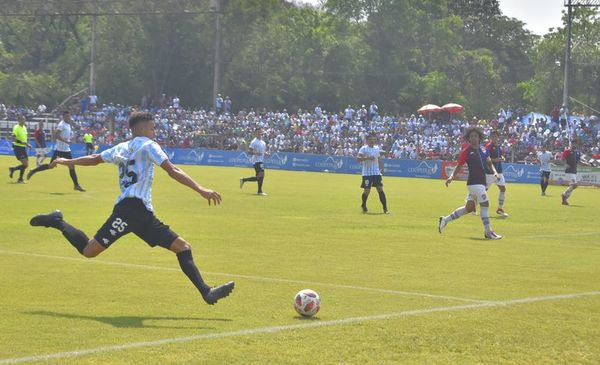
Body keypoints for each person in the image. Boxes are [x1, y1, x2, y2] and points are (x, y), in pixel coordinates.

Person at [29, 111, 234, 305]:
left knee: (183, 247)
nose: (155, 132)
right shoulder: (148, 145)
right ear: (143, 129)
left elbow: (94, 159)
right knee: (89, 250)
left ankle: (207, 292)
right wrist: (201, 189)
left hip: (142, 213)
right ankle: (57, 221)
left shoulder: (121, 147)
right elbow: (172, 170)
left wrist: (68, 161)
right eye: (153, 128)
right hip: (129, 211)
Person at [439, 127, 502, 240]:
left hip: (481, 183)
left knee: (469, 208)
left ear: (479, 137)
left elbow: (489, 163)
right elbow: (459, 166)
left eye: (475, 136)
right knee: (485, 204)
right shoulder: (466, 151)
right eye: (471, 136)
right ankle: (488, 232)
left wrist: (495, 172)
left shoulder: (484, 150)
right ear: (469, 138)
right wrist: (452, 176)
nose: (473, 138)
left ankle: (445, 219)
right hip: (474, 183)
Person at [27, 111, 86, 191]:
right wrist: (65, 141)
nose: (69, 118)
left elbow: (65, 135)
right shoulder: (61, 125)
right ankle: (33, 170)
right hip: (60, 150)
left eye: (69, 116)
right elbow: (56, 135)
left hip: (66, 150)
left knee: (71, 166)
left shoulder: (68, 124)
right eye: (67, 117)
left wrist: (69, 139)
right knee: (51, 166)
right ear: (64, 117)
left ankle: (76, 185)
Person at [357, 132, 388, 214]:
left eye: (374, 140)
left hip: (376, 173)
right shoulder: (363, 149)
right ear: (367, 141)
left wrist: (381, 167)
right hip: (367, 173)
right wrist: (367, 158)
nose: (372, 141)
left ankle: (385, 209)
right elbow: (358, 158)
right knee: (367, 190)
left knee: (380, 189)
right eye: (370, 140)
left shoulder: (377, 148)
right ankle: (363, 205)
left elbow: (379, 158)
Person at [485, 130, 508, 217]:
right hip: (490, 172)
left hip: (499, 171)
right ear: (490, 137)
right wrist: (495, 160)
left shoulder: (498, 146)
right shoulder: (488, 146)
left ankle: (500, 209)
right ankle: (472, 203)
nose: (495, 138)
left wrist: (502, 157)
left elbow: (501, 155)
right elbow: (486, 158)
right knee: (483, 190)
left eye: (496, 136)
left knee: (503, 189)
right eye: (493, 136)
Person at [240, 128, 267, 195]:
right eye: (258, 132)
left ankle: (244, 180)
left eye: (260, 132)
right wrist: (256, 153)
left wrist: (266, 153)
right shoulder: (254, 142)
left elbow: (263, 152)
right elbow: (249, 152)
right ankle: (259, 191)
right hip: (256, 161)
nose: (260, 133)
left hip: (261, 160)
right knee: (261, 175)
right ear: (255, 133)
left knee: (259, 177)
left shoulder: (263, 142)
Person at [9, 114, 31, 184]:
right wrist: (23, 143)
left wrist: (27, 144)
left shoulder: (24, 127)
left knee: (26, 165)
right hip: (18, 147)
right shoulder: (16, 127)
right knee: (25, 164)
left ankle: (20, 178)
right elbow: (13, 138)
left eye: (24, 119)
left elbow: (25, 138)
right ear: (18, 120)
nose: (23, 120)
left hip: (23, 148)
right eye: (22, 119)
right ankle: (13, 170)